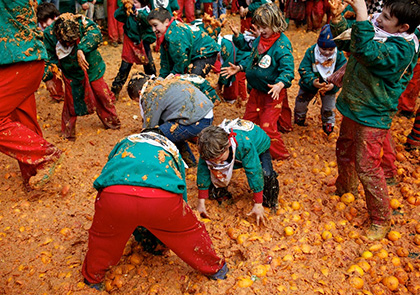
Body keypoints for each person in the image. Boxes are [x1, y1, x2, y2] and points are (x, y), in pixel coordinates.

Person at [81, 129, 228, 291]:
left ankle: (92, 278)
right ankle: (216, 269)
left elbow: (109, 171)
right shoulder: (170, 148)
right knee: (189, 235)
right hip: (161, 199)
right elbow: (180, 188)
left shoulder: (125, 143)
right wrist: (179, 219)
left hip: (115, 195)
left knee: (103, 239)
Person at [329, 0, 420, 240]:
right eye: (381, 12)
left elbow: (368, 52)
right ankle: (345, 188)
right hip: (355, 104)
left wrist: (360, 12)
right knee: (344, 147)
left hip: (375, 111)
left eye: (387, 17)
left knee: (367, 165)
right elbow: (352, 43)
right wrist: (338, 19)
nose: (379, 18)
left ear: (403, 27)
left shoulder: (403, 49)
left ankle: (381, 219)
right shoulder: (378, 30)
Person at [0, 0, 63, 190]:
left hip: (16, 60)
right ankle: (36, 179)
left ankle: (45, 154)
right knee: (23, 120)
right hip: (27, 59)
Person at [221, 3, 294, 160]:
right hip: (256, 90)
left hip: (272, 92)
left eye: (263, 28)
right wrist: (240, 67)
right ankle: (250, 149)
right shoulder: (260, 40)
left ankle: (281, 156)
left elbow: (288, 70)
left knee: (268, 126)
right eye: (258, 27)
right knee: (248, 122)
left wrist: (280, 84)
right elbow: (254, 58)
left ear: (275, 24)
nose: (259, 32)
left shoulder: (281, 45)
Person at [43, 13, 121, 139]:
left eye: (72, 42)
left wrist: (81, 48)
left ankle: (112, 122)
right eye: (66, 42)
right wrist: (48, 78)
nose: (69, 45)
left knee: (102, 94)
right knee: (71, 100)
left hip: (91, 67)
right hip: (70, 71)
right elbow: (48, 57)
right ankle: (68, 133)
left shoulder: (82, 22)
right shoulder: (49, 34)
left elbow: (95, 34)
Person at [196, 119, 279, 226]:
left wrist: (258, 203)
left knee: (265, 174)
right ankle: (222, 195)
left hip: (258, 145)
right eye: (213, 160)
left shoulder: (244, 145)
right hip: (231, 151)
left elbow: (254, 171)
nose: (217, 162)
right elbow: (203, 170)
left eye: (220, 159)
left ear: (227, 147)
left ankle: (269, 202)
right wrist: (201, 202)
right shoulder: (208, 149)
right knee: (214, 170)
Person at [127, 73, 214, 166]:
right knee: (171, 130)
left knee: (158, 135)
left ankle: (174, 165)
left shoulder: (150, 94)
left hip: (198, 120)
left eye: (137, 101)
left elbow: (149, 129)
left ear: (140, 93)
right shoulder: (160, 81)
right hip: (205, 113)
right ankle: (190, 162)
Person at [294, 24, 347, 135]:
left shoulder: (339, 55)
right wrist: (313, 81)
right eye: (323, 49)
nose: (327, 52)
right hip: (309, 86)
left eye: (331, 49)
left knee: (329, 108)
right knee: (301, 103)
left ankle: (328, 125)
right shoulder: (312, 52)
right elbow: (304, 69)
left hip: (329, 88)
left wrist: (333, 85)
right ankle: (299, 119)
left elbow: (341, 73)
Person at [147, 8, 220, 78]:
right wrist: (162, 77)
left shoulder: (175, 35)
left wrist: (174, 74)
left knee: (193, 80)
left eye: (155, 25)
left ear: (166, 22)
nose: (153, 29)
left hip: (206, 52)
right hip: (194, 53)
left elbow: (181, 59)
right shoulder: (166, 34)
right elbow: (166, 60)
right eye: (151, 26)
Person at [111, 0, 157, 99]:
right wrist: (124, 8)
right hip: (130, 43)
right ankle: (115, 91)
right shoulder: (128, 13)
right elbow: (117, 15)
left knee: (149, 67)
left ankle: (154, 88)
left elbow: (150, 32)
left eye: (135, 2)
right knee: (124, 68)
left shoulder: (146, 14)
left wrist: (139, 15)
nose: (133, 4)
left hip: (143, 43)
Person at [37, 2, 65, 102]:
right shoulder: (43, 32)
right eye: (41, 22)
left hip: (66, 55)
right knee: (53, 70)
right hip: (53, 55)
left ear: (54, 17)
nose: (43, 25)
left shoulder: (64, 25)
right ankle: (57, 95)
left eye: (45, 21)